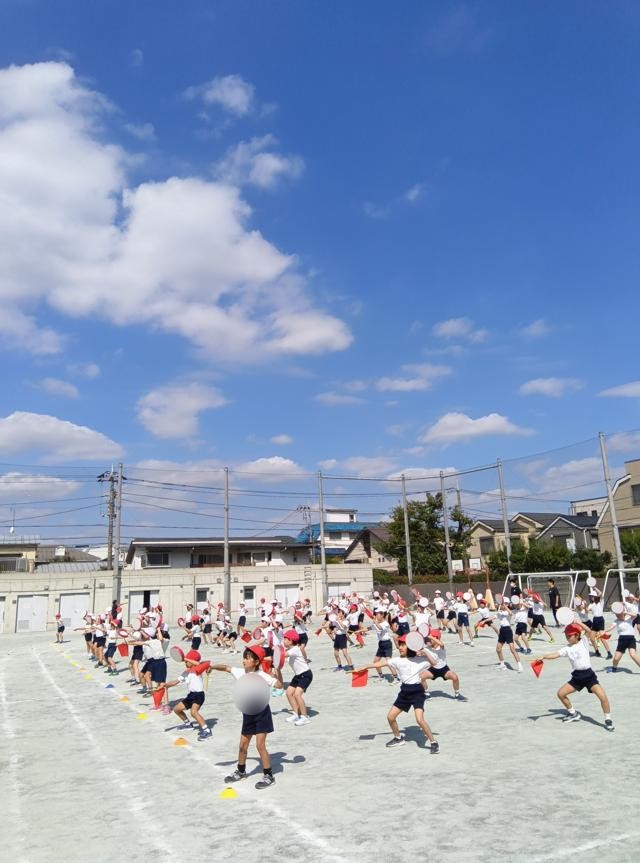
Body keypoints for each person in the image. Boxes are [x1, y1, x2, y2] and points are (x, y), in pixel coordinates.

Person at [352, 634, 439, 753]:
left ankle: (433, 742)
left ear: (411, 647)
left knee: (419, 720)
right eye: (400, 645)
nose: (400, 647)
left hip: (417, 692)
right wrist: (364, 666)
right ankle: (398, 738)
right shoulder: (396, 660)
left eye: (403, 645)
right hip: (404, 692)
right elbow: (379, 664)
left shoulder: (420, 660)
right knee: (390, 717)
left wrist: (424, 651)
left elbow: (434, 663)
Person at [212, 645, 283, 789]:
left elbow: (279, 686)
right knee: (242, 746)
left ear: (256, 662)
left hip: (262, 713)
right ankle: (241, 771)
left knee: (260, 745)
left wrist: (278, 671)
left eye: (248, 658)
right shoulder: (240, 672)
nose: (244, 660)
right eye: (244, 657)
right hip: (248, 713)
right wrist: (211, 666)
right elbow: (226, 668)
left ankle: (269, 775)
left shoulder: (262, 676)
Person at [541, 622, 613, 731]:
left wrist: (578, 622)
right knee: (561, 694)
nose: (567, 637)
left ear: (577, 635)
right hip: (577, 677)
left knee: (603, 697)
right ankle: (573, 713)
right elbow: (555, 654)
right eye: (566, 635)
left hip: (589, 676)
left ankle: (608, 719)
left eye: (569, 635)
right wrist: (544, 657)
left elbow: (589, 631)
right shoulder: (567, 648)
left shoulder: (584, 641)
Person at [165, 649, 213, 737]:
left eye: (187, 661)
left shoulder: (198, 669)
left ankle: (207, 730)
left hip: (199, 695)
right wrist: (165, 685)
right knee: (176, 709)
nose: (185, 663)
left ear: (193, 661)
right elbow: (176, 681)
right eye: (185, 661)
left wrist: (186, 658)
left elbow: (207, 663)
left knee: (193, 712)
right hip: (191, 695)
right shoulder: (186, 672)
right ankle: (188, 724)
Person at [420, 630, 467, 701]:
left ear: (436, 638)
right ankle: (426, 694)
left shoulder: (441, 647)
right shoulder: (427, 648)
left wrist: (430, 636)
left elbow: (441, 644)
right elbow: (419, 652)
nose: (428, 641)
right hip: (433, 669)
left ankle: (457, 695)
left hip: (444, 669)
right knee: (421, 677)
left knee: (455, 677)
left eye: (430, 639)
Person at [282, 629, 313, 726]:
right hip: (298, 675)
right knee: (288, 693)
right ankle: (296, 714)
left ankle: (305, 717)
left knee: (297, 694)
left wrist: (275, 650)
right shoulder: (289, 650)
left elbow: (283, 654)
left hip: (306, 675)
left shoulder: (295, 649)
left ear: (291, 641)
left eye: (285, 639)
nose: (284, 641)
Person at [606, 604, 640, 672]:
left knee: (633, 655)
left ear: (623, 613)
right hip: (622, 640)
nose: (617, 615)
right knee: (616, 659)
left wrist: (625, 612)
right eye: (616, 614)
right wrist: (604, 631)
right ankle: (614, 668)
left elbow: (635, 615)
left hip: (631, 639)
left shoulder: (629, 618)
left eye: (618, 614)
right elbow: (610, 628)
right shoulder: (616, 621)